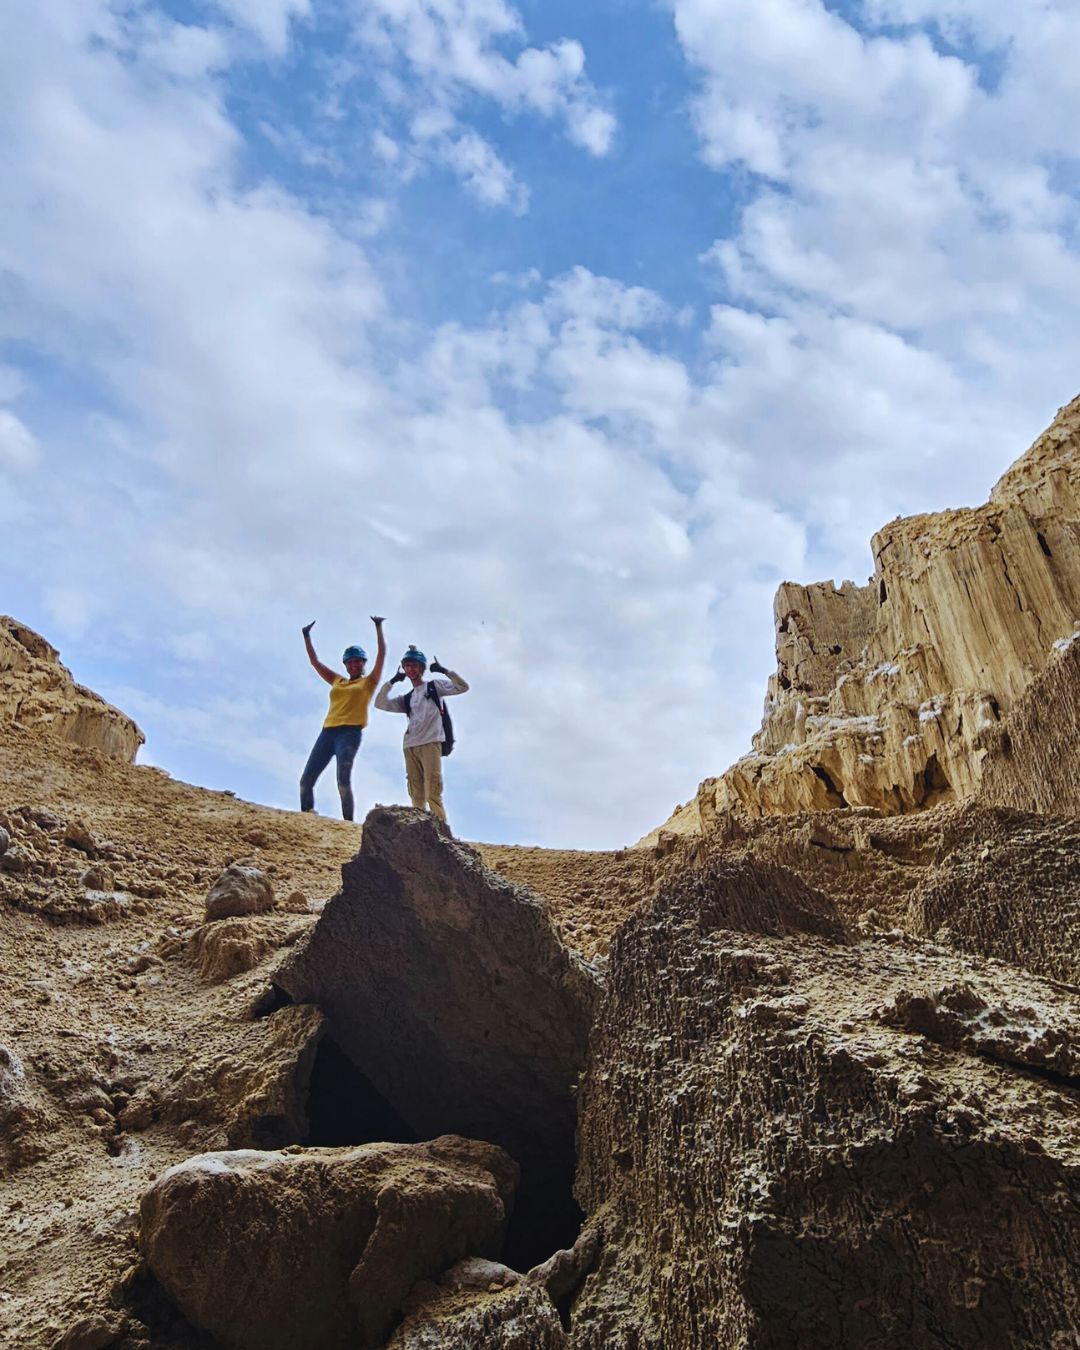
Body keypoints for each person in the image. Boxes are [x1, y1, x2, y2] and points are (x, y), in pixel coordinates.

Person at [299, 616, 386, 821]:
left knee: (343, 781)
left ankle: (347, 823)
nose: (354, 665)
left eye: (358, 661)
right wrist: (306, 636)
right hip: (327, 732)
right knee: (306, 780)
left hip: (349, 733)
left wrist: (378, 627)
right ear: (346, 665)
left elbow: (382, 654)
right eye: (350, 662)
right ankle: (306, 818)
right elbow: (315, 662)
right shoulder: (338, 681)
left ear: (363, 663)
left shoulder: (369, 682)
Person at [375, 645, 468, 823]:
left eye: (414, 665)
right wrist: (391, 682)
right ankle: (420, 832)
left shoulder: (434, 687)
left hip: (431, 742)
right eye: (407, 666)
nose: (411, 669)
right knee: (416, 794)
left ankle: (441, 831)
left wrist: (444, 671)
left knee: (433, 792)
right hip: (410, 745)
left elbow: (463, 687)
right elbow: (380, 703)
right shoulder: (407, 698)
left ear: (422, 668)